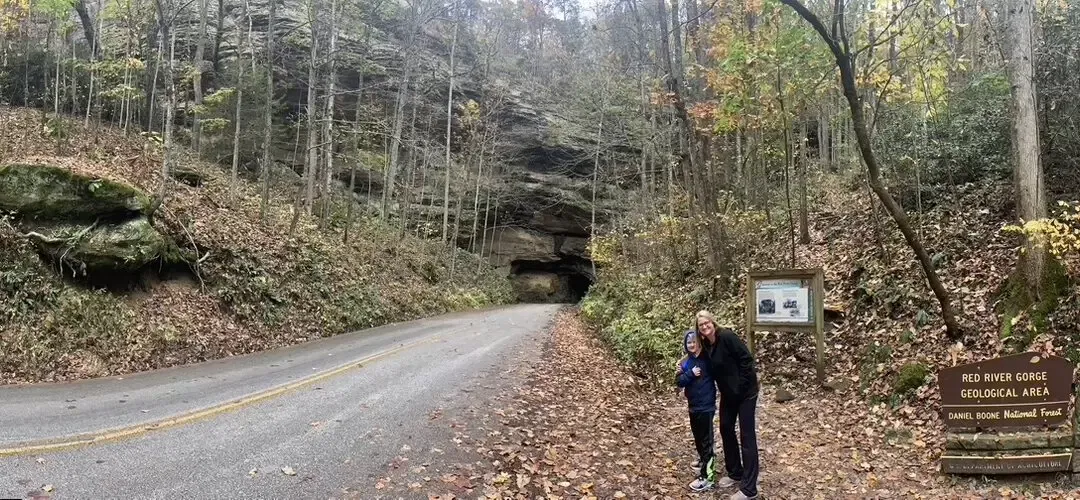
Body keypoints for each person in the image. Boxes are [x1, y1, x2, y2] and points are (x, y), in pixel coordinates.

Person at [695, 310, 760, 500]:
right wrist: (683, 367)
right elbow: (700, 362)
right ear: (698, 329)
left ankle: (749, 489)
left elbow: (747, 360)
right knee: (725, 427)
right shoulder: (707, 345)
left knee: (747, 436)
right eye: (701, 325)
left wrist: (741, 387)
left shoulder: (727, 336)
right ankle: (735, 472)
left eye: (707, 322)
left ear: (713, 322)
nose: (705, 326)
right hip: (729, 394)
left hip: (746, 392)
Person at [676, 330, 716, 492]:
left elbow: (720, 371)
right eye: (689, 342)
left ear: (700, 342)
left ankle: (708, 477)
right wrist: (690, 374)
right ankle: (703, 460)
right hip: (693, 405)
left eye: (694, 342)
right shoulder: (685, 362)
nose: (692, 345)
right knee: (698, 437)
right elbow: (679, 381)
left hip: (707, 405)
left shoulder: (708, 358)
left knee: (707, 441)